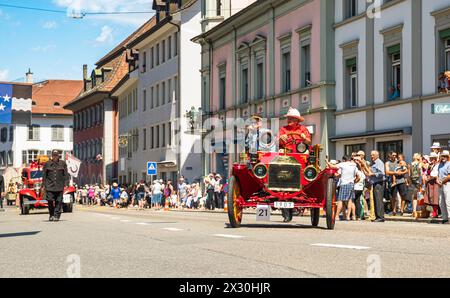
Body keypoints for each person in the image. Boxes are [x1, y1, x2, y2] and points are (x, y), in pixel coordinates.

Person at [279, 107, 311, 222]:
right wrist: (281, 139)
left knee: (307, 154)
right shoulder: (283, 129)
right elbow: (278, 142)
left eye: (292, 118)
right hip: (286, 156)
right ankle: (286, 213)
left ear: (297, 120)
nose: (289, 120)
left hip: (299, 154)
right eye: (288, 118)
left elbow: (309, 142)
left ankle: (307, 176)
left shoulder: (303, 129)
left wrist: (304, 139)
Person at [327, 156, 359, 221]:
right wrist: (354, 181)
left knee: (340, 200)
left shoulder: (343, 164)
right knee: (350, 200)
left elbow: (331, 166)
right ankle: (348, 216)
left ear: (344, 160)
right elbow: (357, 175)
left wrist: (326, 161)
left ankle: (337, 216)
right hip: (351, 184)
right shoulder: (354, 165)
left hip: (344, 184)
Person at [42, 150, 70, 222]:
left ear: (58, 156)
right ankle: (51, 214)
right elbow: (44, 175)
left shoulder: (62, 163)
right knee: (50, 201)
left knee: (59, 201)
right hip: (49, 186)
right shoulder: (47, 164)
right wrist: (43, 185)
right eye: (54, 155)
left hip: (59, 186)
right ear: (52, 155)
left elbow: (66, 174)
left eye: (56, 155)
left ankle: (56, 215)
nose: (55, 156)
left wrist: (67, 183)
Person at [365, 151, 386, 222]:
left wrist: (372, 174)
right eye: (371, 155)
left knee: (378, 199)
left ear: (377, 155)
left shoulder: (379, 163)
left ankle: (380, 217)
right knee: (376, 199)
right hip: (375, 183)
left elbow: (382, 173)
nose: (372, 156)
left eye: (373, 155)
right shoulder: (374, 163)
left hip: (379, 183)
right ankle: (378, 216)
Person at [438, 150, 450, 224]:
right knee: (441, 202)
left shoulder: (449, 164)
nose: (443, 157)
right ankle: (445, 218)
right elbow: (438, 174)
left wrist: (442, 181)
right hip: (441, 184)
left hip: (447, 184)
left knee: (448, 201)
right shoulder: (440, 164)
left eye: (445, 156)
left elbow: (449, 176)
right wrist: (437, 180)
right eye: (442, 156)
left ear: (448, 157)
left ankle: (449, 218)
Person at [410, 153, 423, 218]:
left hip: (413, 181)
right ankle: (419, 210)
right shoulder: (420, 163)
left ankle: (414, 211)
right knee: (420, 196)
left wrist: (409, 182)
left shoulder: (411, 164)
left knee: (414, 197)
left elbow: (409, 174)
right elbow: (421, 172)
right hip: (419, 181)